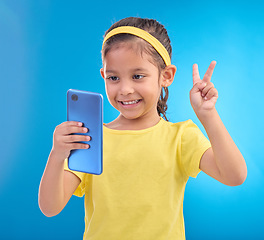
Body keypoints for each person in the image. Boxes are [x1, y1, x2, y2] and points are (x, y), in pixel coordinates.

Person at [38, 17, 247, 240]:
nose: (125, 89)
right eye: (114, 78)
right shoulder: (92, 139)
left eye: (137, 76)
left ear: (166, 76)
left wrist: (207, 114)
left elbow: (234, 175)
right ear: (104, 76)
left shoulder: (180, 137)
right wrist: (57, 154)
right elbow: (50, 207)